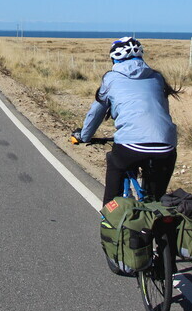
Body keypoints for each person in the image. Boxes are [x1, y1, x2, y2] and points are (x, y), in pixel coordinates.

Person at [72, 37, 180, 204]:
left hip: (131, 144)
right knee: (156, 202)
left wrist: (84, 136)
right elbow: (163, 112)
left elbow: (96, 113)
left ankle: (108, 217)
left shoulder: (111, 78)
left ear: (114, 58)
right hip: (166, 145)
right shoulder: (157, 78)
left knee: (113, 188)